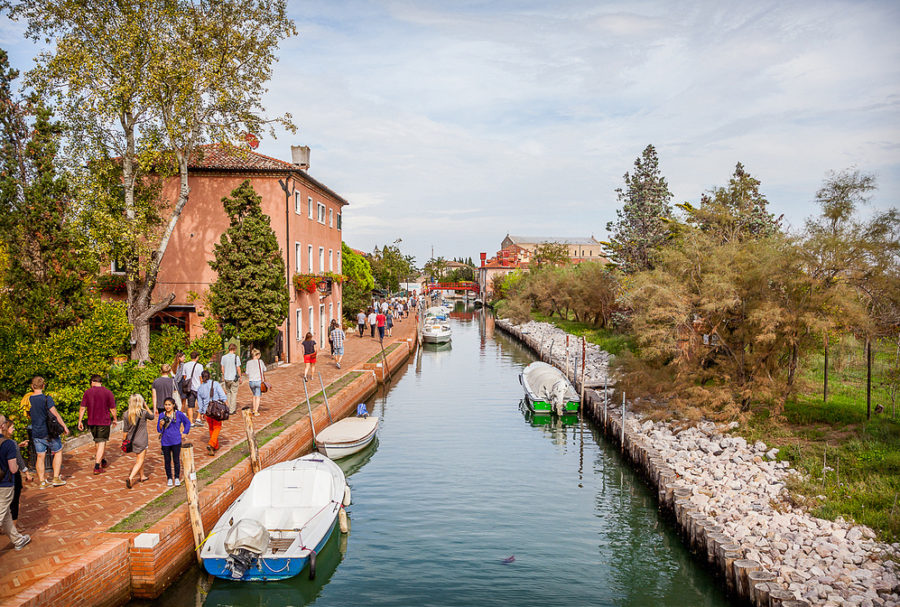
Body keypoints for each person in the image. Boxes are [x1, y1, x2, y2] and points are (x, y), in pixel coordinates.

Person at [29, 377, 69, 488]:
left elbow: (28, 414)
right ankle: (56, 478)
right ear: (43, 386)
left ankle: (42, 481)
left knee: (40, 456)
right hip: (49, 432)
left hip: (36, 431)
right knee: (58, 451)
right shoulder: (47, 399)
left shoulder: (28, 399)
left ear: (32, 386)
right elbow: (55, 414)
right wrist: (64, 426)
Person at [77, 374, 117, 475]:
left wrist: (80, 421)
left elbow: (82, 408)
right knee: (102, 442)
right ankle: (97, 466)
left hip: (92, 421)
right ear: (101, 382)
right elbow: (112, 408)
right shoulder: (108, 392)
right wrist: (115, 419)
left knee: (97, 441)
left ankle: (102, 460)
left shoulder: (87, 392)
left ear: (92, 382)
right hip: (103, 421)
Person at [1, 421, 30, 550]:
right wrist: (20, 467)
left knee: (6, 513)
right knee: (2, 511)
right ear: (2, 426)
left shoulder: (10, 444)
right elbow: (13, 469)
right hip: (4, 483)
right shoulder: (8, 443)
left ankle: (18, 540)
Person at [123, 394, 154, 488]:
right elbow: (152, 416)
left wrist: (124, 440)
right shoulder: (143, 413)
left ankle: (142, 476)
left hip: (132, 440)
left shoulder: (126, 413)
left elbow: (125, 430)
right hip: (142, 439)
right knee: (140, 460)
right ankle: (131, 477)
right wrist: (146, 405)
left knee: (139, 458)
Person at [157, 397, 190, 487]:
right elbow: (159, 430)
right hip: (165, 441)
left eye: (169, 405)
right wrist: (161, 424)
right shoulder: (162, 415)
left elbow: (187, 423)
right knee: (167, 460)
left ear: (173, 405)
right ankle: (169, 478)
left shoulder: (178, 414)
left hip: (176, 441)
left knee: (176, 460)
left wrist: (185, 433)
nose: (167, 407)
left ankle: (176, 477)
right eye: (166, 405)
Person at [197, 371, 227, 456]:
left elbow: (200, 402)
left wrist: (202, 413)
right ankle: (211, 443)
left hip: (207, 411)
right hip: (216, 409)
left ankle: (215, 446)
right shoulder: (216, 384)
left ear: (202, 378)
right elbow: (223, 396)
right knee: (217, 427)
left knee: (211, 427)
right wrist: (225, 403)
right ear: (209, 376)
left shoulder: (200, 388)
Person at [180, 351, 204, 425]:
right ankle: (198, 418)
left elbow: (184, 376)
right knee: (201, 404)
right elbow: (201, 378)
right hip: (198, 387)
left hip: (189, 388)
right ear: (197, 357)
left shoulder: (186, 365)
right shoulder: (200, 366)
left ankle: (190, 422)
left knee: (190, 405)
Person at [220, 343, 242, 415]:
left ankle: (228, 407)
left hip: (227, 378)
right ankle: (232, 410)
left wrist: (224, 375)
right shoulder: (236, 357)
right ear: (234, 349)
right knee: (234, 393)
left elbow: (222, 368)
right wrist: (240, 377)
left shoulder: (223, 357)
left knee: (228, 393)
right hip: (234, 378)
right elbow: (238, 368)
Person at [245, 349, 266, 416]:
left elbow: (247, 372)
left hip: (251, 381)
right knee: (258, 396)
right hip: (258, 381)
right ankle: (256, 411)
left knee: (254, 395)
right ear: (257, 355)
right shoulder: (260, 362)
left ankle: (254, 409)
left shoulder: (248, 362)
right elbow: (265, 369)